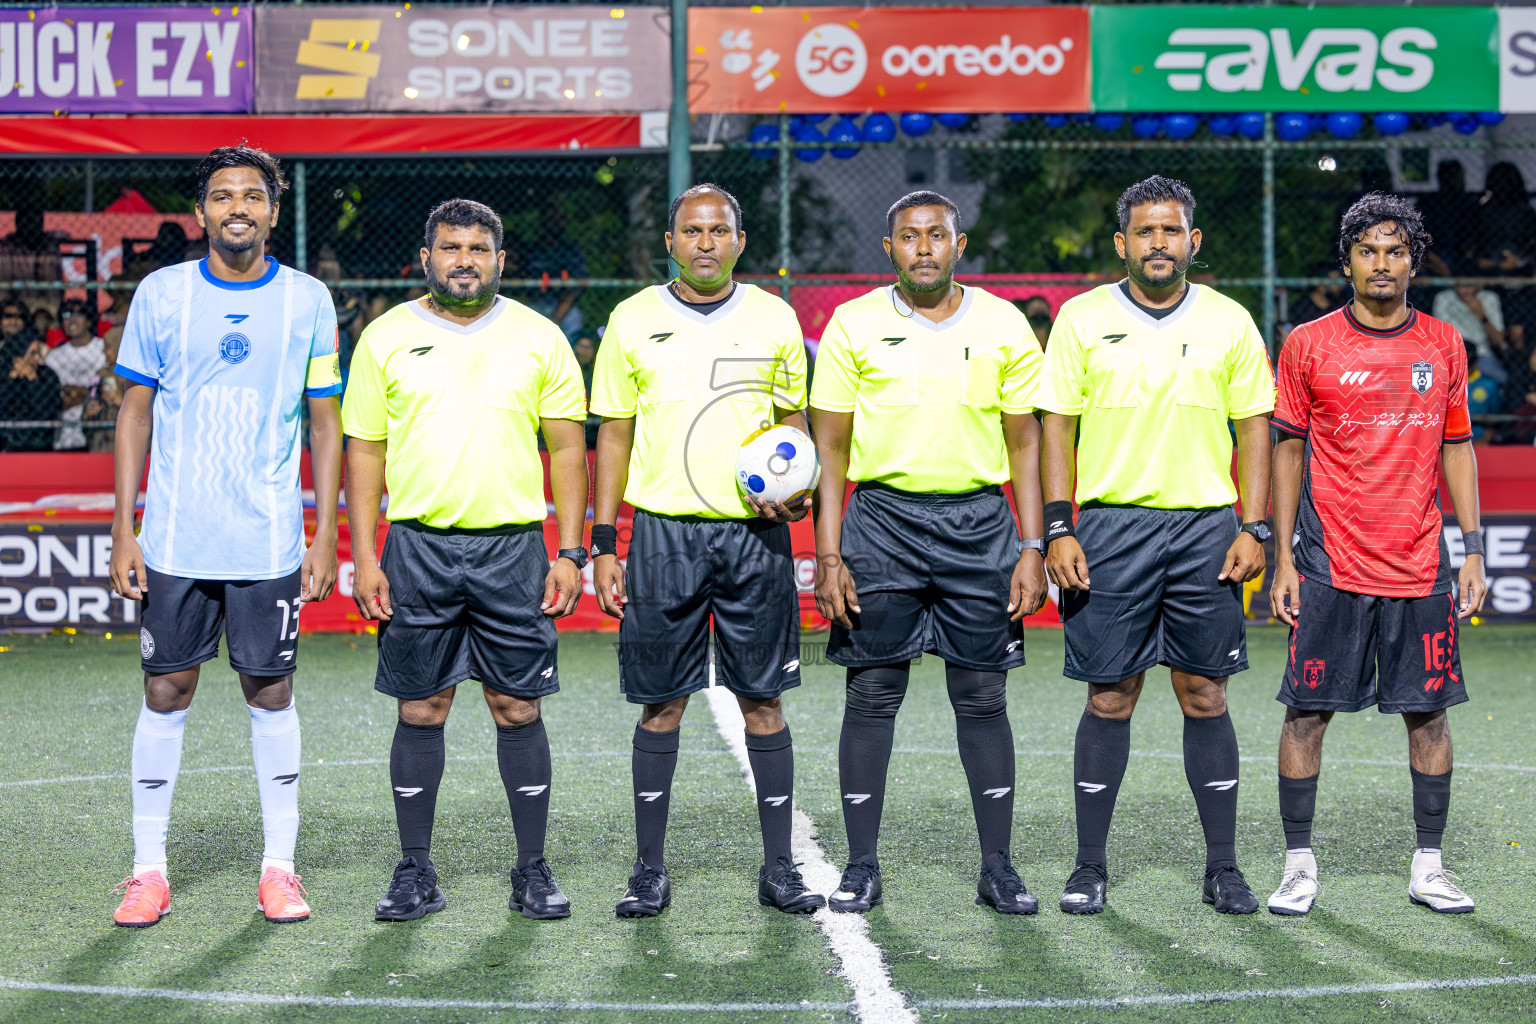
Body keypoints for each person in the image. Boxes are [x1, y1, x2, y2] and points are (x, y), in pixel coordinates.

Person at [106, 145, 343, 928]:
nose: (237, 207)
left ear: (274, 210)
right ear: (201, 212)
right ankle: (147, 872)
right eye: (221, 196)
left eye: (252, 196)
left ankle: (280, 869)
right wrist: (124, 526)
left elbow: (324, 421)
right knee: (165, 690)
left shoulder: (308, 300)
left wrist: (323, 534)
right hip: (174, 537)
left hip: (268, 539)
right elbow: (134, 410)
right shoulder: (162, 293)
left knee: (269, 690)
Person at [343, 199, 590, 924]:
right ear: (426, 257)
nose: (464, 259)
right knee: (423, 706)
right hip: (415, 547)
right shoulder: (384, 337)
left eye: (479, 248)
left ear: (500, 260)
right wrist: (365, 554)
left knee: (517, 706)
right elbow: (365, 451)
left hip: (513, 549)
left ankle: (532, 869)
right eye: (450, 246)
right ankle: (415, 870)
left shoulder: (539, 338)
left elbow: (568, 448)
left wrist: (570, 550)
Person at [1039, 175, 1274, 917]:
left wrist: (1255, 525)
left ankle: (1224, 869)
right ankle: (1088, 866)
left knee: (1204, 693)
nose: (1159, 243)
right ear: (1122, 243)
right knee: (1110, 696)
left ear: (1193, 241)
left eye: (1172, 231)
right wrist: (1057, 525)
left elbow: (1255, 428)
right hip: (1109, 529)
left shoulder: (1231, 321)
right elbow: (1055, 425)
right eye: (1145, 231)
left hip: (1207, 528)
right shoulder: (1080, 319)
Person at [810, 190, 1050, 916]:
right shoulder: (852, 324)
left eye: (935, 235)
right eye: (909, 236)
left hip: (981, 525)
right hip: (880, 522)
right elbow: (831, 445)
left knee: (982, 696)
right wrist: (829, 556)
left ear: (959, 244)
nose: (923, 247)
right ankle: (860, 866)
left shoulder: (1005, 323)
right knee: (873, 692)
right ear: (888, 248)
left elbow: (1026, 441)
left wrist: (1032, 543)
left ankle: (999, 867)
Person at [589, 184, 819, 919]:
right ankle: (649, 869)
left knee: (764, 701)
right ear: (670, 241)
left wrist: (802, 495)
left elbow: (795, 430)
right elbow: (615, 435)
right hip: (663, 536)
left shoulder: (776, 317)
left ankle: (780, 866)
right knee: (662, 705)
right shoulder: (631, 320)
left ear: (740, 241)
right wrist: (602, 541)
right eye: (692, 230)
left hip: (754, 536)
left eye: (720, 229)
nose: (707, 242)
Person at [1267, 192, 1487, 916]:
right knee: (1305, 714)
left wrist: (1474, 551)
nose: (1382, 263)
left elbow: (1458, 448)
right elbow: (1289, 452)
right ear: (1349, 259)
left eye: (1396, 250)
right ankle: (1299, 866)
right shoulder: (1308, 343)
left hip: (1420, 561)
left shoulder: (1444, 345)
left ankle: (1430, 866)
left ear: (1413, 263)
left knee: (1430, 717)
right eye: (1368, 250)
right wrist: (1284, 560)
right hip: (1330, 563)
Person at [45, 299, 106, 450]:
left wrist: (75, 393)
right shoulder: (54, 357)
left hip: (98, 431)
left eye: (78, 313)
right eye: (66, 314)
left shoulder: (104, 349)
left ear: (89, 321)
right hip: (64, 435)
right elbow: (53, 399)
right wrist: (86, 393)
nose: (71, 319)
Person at [1432, 285, 1505, 384]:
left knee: (1501, 379)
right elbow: (1439, 337)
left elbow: (1499, 340)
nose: (1466, 290)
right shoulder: (1444, 298)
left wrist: (1481, 314)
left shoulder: (1489, 298)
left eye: (1470, 285)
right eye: (1462, 285)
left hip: (1481, 354)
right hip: (1452, 355)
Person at [0, 338, 62, 452]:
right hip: (9, 442)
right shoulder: (4, 376)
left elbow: (46, 411)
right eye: (32, 353)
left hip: (42, 442)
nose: (37, 358)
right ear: (17, 359)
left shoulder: (47, 374)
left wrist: (33, 380)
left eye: (38, 352)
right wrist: (13, 379)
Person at [1286, 263, 1347, 331]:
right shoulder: (1302, 306)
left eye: (1339, 280)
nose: (1339, 285)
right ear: (1321, 284)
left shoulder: (1340, 306)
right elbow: (1286, 327)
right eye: (1334, 281)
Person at [571, 329, 600, 448]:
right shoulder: (568, 371)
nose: (585, 351)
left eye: (589, 347)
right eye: (581, 346)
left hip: (594, 428)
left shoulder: (597, 372)